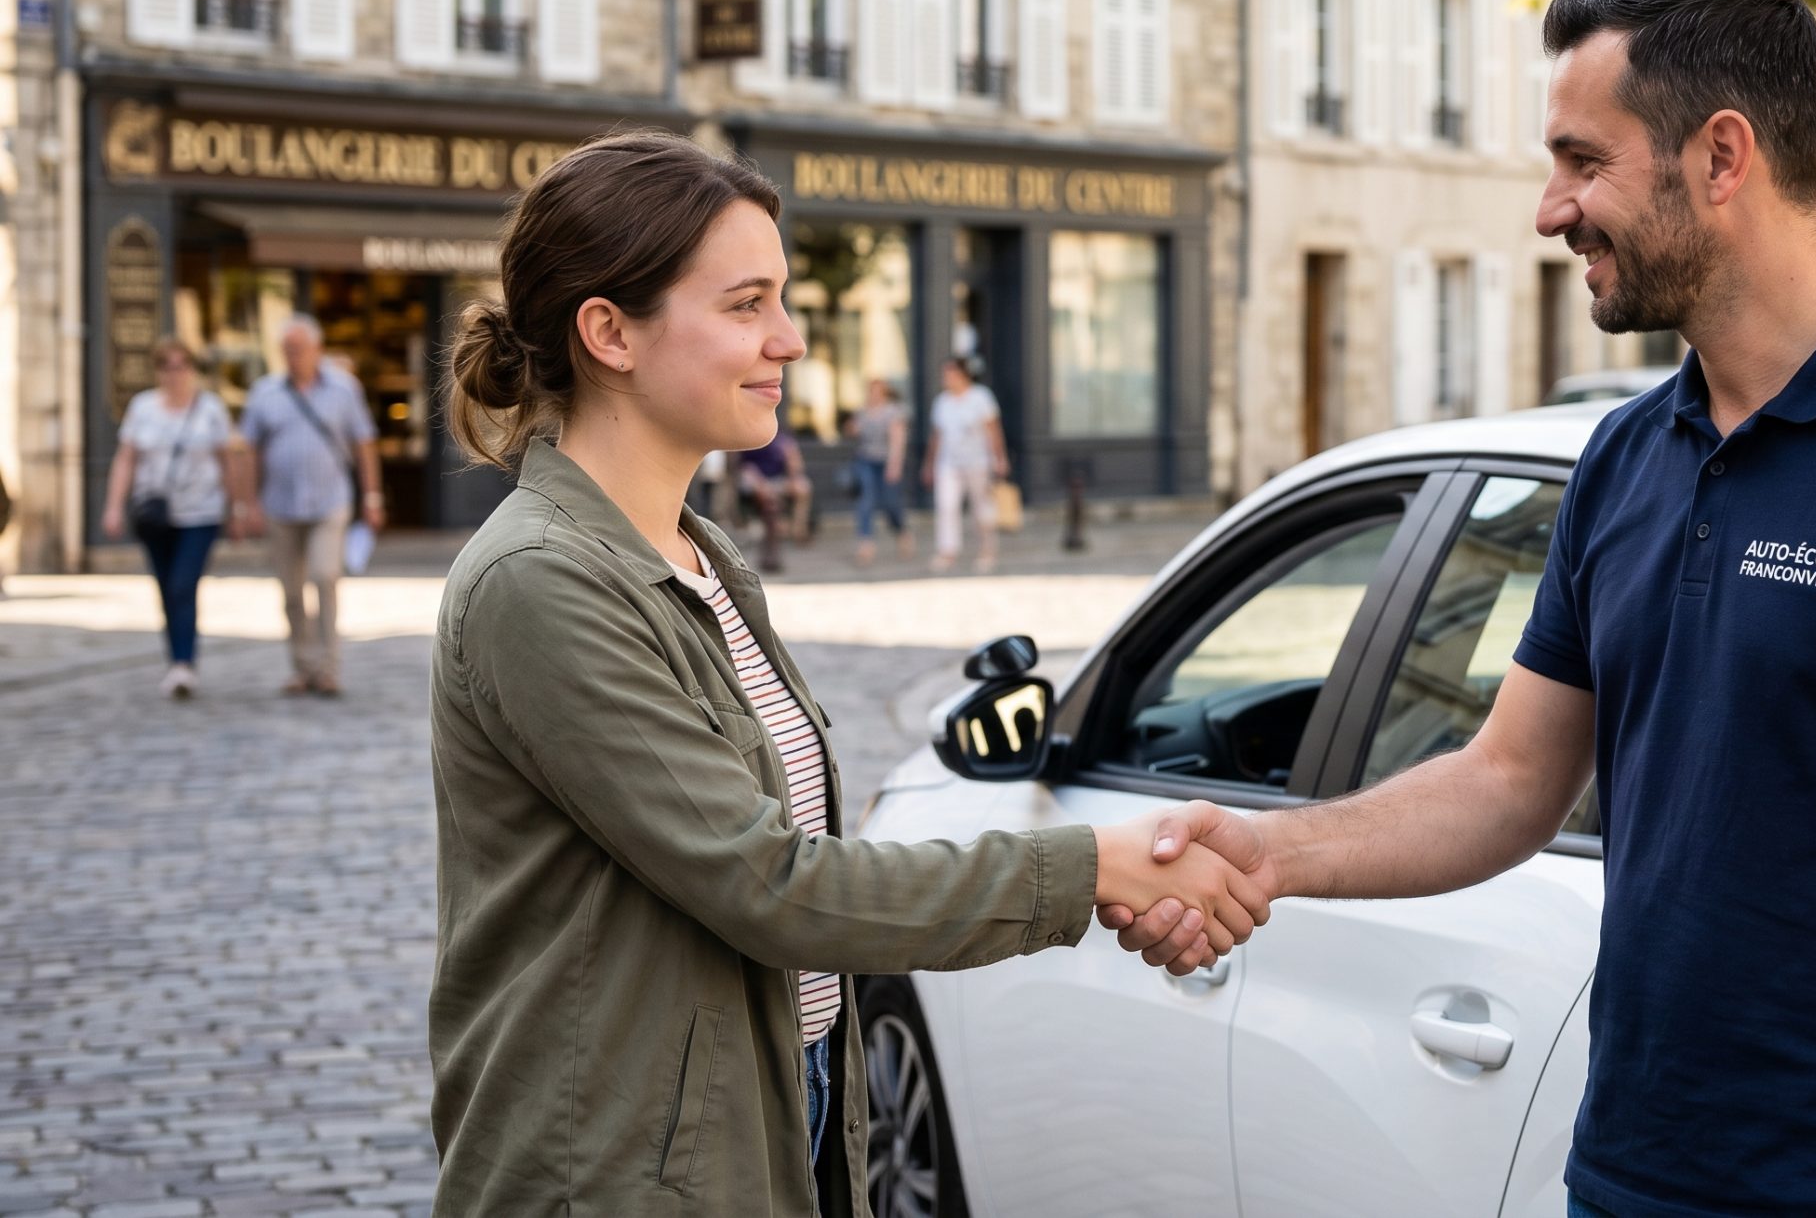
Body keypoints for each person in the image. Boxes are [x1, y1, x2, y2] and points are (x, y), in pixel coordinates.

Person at [1113, 0, 1816, 1218]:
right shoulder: (1624, 456)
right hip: (1627, 1179)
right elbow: (1507, 779)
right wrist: (1262, 850)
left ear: (1719, 157)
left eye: (1582, 162)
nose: (1551, 210)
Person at [426, 130, 1262, 1218]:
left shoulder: (698, 553)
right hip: (616, 1164)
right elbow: (770, 883)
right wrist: (1092, 867)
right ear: (609, 332)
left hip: (775, 1107)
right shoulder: (540, 580)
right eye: (745, 304)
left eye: (781, 299)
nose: (789, 339)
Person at [238, 315, 382, 697]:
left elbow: (364, 444)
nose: (292, 356)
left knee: (324, 576)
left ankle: (329, 667)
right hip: (279, 506)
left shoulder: (344, 389)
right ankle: (302, 667)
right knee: (290, 591)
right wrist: (247, 502)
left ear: (317, 350)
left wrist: (372, 496)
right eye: (287, 350)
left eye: (298, 349)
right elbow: (249, 450)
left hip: (329, 502)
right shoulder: (264, 392)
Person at [100, 339, 249, 698]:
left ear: (193, 370)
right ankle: (178, 660)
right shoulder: (143, 408)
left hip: (201, 512)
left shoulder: (210, 409)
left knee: (184, 584)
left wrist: (238, 507)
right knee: (167, 588)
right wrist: (114, 505)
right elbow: (127, 459)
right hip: (155, 513)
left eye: (182, 365)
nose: (175, 373)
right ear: (158, 371)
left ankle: (184, 662)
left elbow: (227, 460)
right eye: (166, 365)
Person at [923, 356, 1006, 572]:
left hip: (978, 462)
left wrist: (1000, 458)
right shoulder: (942, 401)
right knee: (947, 506)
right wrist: (929, 463)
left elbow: (993, 429)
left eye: (949, 375)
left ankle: (987, 549)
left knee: (981, 508)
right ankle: (947, 551)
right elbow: (937, 435)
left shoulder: (981, 397)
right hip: (949, 463)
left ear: (962, 375)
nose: (946, 379)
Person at [847, 379, 911, 565]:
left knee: (890, 504)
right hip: (866, 461)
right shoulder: (863, 412)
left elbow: (898, 441)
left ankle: (902, 532)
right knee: (866, 500)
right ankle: (866, 544)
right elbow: (853, 431)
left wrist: (895, 466)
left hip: (886, 462)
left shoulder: (893, 411)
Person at [731, 429, 812, 571]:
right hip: (756, 482)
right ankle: (776, 522)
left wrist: (793, 471)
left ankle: (797, 529)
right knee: (768, 503)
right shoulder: (750, 439)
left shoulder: (782, 440)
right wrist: (762, 486)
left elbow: (795, 464)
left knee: (802, 487)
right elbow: (745, 468)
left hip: (776, 482)